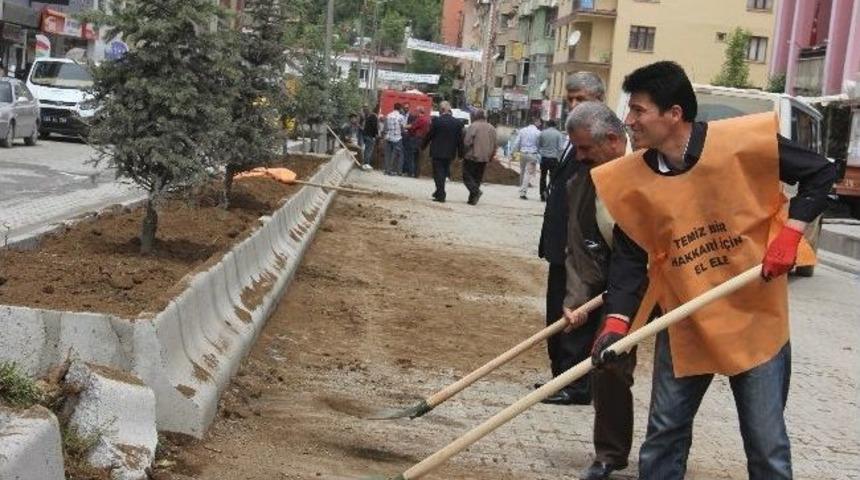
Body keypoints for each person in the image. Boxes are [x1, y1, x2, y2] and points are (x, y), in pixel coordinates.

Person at [590, 61, 837, 480]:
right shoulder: (632, 180)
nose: (629, 121)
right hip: (684, 317)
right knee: (664, 436)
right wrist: (617, 323)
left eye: (638, 111)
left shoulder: (739, 143)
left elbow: (822, 171)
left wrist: (791, 233)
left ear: (674, 114)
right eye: (629, 111)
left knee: (766, 443)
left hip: (755, 318)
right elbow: (631, 259)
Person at [561, 102, 636, 480]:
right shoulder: (585, 183)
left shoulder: (648, 168)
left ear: (612, 139)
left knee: (681, 371)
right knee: (608, 359)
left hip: (671, 282)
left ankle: (665, 454)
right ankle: (610, 453)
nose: (579, 156)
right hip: (622, 285)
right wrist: (576, 301)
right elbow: (579, 247)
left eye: (586, 148)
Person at [536, 71, 607, 406]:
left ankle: (576, 385)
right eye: (570, 100)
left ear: (599, 100)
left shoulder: (601, 142)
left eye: (582, 99)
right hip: (560, 247)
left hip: (579, 250)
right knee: (556, 313)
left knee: (574, 315)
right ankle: (559, 378)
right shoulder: (573, 138)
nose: (574, 105)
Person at [422, 101, 464, 203]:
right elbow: (460, 140)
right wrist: (461, 154)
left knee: (438, 174)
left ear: (441, 110)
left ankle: (441, 195)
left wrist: (423, 146)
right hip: (450, 153)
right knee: (444, 172)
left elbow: (429, 135)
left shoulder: (437, 121)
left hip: (437, 152)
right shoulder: (458, 123)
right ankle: (438, 192)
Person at [462, 109, 497, 205]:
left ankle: (476, 192)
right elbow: (495, 145)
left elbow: (467, 142)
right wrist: (491, 156)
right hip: (485, 157)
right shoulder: (492, 128)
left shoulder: (473, 126)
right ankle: (472, 199)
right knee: (477, 178)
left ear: (476, 116)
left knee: (467, 176)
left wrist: (464, 152)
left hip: (472, 156)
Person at [511, 116, 541, 200]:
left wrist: (513, 152)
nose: (540, 124)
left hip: (523, 153)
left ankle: (521, 188)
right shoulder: (538, 132)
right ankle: (523, 192)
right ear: (535, 122)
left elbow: (517, 142)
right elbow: (539, 145)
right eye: (539, 122)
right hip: (532, 154)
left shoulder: (522, 130)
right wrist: (538, 153)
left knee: (522, 171)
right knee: (528, 173)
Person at [538, 119, 566, 202]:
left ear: (547, 125)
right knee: (553, 178)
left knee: (542, 177)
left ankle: (542, 195)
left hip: (544, 158)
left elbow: (540, 144)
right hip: (554, 159)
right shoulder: (558, 134)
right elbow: (561, 148)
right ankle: (550, 194)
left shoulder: (542, 133)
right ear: (555, 125)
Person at [406, 106, 431, 177]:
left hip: (416, 139)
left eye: (416, 111)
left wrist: (403, 126)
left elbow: (412, 126)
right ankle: (417, 173)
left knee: (412, 156)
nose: (415, 113)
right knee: (418, 157)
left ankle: (411, 172)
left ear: (419, 112)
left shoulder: (420, 119)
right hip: (422, 139)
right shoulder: (427, 120)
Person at [382, 103, 406, 175]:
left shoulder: (388, 115)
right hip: (397, 138)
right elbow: (402, 128)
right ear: (400, 109)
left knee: (387, 154)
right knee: (398, 155)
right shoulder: (401, 117)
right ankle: (397, 171)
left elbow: (385, 127)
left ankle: (387, 170)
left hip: (388, 137)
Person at [361, 104, 379, 171]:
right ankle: (366, 164)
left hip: (365, 135)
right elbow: (375, 127)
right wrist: (376, 134)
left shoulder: (367, 117)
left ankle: (365, 164)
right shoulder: (373, 116)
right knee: (369, 150)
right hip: (370, 136)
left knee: (366, 150)